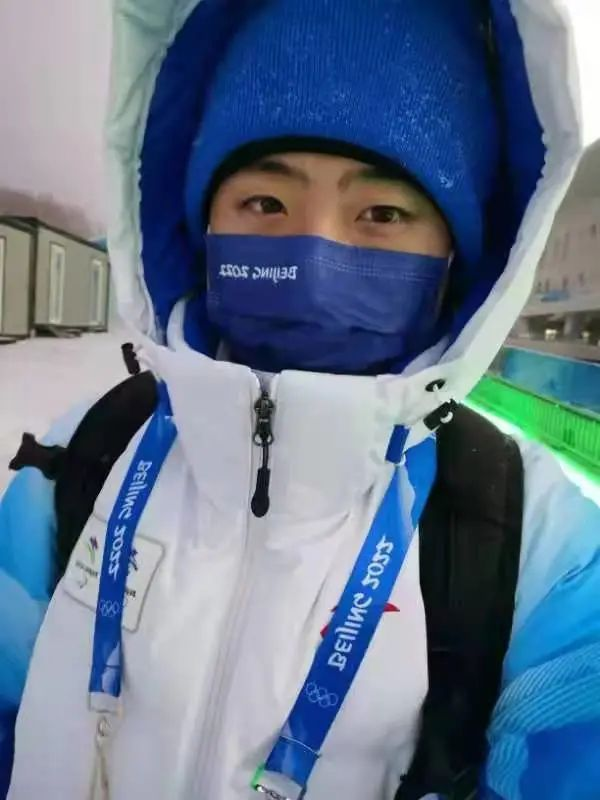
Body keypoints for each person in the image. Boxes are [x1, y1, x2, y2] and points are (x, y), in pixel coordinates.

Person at [1, 1, 600, 798]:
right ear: (199, 225)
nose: (316, 257)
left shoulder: (541, 548)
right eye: (265, 203)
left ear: (457, 254)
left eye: (382, 213)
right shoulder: (85, 452)